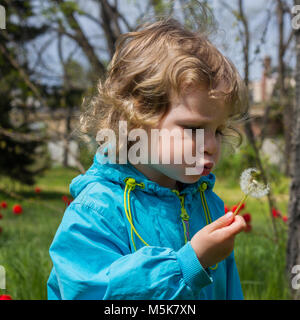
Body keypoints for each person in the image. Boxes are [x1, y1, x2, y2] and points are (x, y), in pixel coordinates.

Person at [47, 17, 248, 300]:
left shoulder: (207, 204)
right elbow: (92, 293)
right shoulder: (97, 210)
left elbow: (228, 292)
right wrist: (187, 265)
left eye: (218, 130)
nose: (212, 145)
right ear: (136, 120)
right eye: (193, 128)